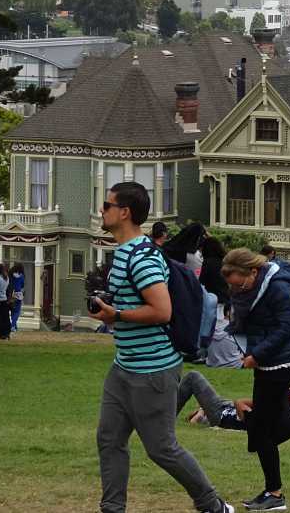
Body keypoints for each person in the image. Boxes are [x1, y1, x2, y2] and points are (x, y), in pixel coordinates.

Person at [89, 181, 232, 513]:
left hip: (152, 371)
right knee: (109, 440)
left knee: (162, 448)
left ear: (124, 213)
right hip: (124, 366)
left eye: (107, 205)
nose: (102, 210)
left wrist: (118, 314)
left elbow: (162, 310)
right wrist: (111, 314)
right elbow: (132, 308)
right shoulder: (124, 253)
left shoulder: (142, 257)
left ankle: (213, 506)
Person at [221, 247, 290, 513]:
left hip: (277, 365)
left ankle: (275, 493)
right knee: (268, 428)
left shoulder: (276, 289)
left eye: (239, 283)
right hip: (265, 365)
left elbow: (287, 325)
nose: (237, 290)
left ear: (253, 272)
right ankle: (283, 432)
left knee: (261, 431)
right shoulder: (250, 290)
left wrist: (258, 353)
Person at [200, 237, 229, 309]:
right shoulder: (225, 260)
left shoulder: (208, 262)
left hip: (212, 299)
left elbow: (202, 281)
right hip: (226, 297)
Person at [8, 263, 26, 335]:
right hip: (18, 293)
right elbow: (22, 285)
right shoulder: (21, 276)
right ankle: (13, 326)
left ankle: (14, 326)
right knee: (17, 311)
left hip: (11, 293)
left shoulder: (10, 275)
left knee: (13, 310)